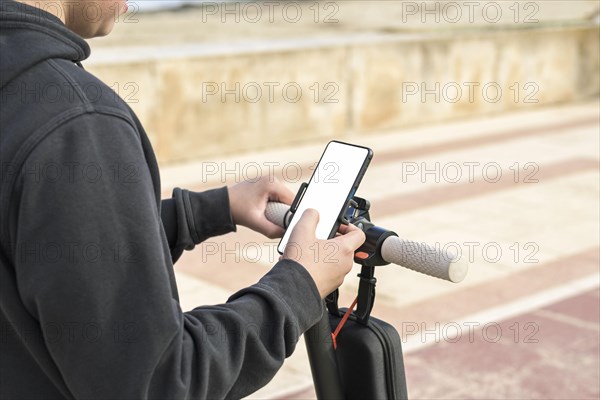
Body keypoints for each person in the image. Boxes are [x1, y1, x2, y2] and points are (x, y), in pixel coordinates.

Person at [0, 0, 366, 398]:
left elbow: (43, 241)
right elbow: (159, 381)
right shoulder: (79, 122)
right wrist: (299, 286)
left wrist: (207, 211)